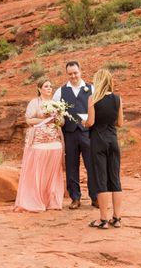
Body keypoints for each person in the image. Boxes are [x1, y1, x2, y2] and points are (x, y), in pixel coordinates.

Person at [14, 79, 65, 212]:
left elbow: (62, 122)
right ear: (39, 89)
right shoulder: (34, 102)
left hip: (55, 142)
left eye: (50, 86)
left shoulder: (56, 103)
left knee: (53, 171)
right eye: (46, 86)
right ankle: (35, 200)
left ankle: (52, 201)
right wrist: (45, 119)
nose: (49, 88)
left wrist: (57, 118)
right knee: (37, 171)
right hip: (38, 142)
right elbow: (29, 120)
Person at [53, 60, 98, 209]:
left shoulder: (91, 88)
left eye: (75, 73)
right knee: (72, 166)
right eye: (70, 74)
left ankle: (95, 197)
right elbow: (55, 112)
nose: (73, 76)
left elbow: (98, 109)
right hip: (70, 134)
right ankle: (75, 198)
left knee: (91, 165)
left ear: (81, 71)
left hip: (88, 133)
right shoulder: (61, 91)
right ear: (67, 74)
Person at [83, 69, 123, 229]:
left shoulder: (93, 99)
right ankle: (117, 218)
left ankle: (103, 219)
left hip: (98, 142)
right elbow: (120, 123)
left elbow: (91, 122)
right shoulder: (118, 99)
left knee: (101, 179)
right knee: (115, 179)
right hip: (113, 141)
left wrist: (83, 123)